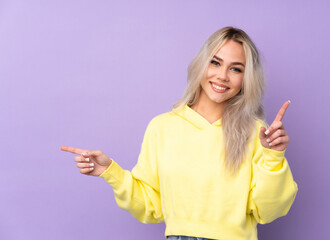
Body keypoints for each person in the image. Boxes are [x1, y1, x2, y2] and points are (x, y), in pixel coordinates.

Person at [61, 26, 298, 240]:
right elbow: (150, 206)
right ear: (201, 64)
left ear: (245, 79)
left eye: (235, 69)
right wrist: (110, 171)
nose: (222, 76)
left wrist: (273, 156)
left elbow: (268, 210)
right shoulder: (162, 127)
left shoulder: (256, 133)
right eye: (215, 63)